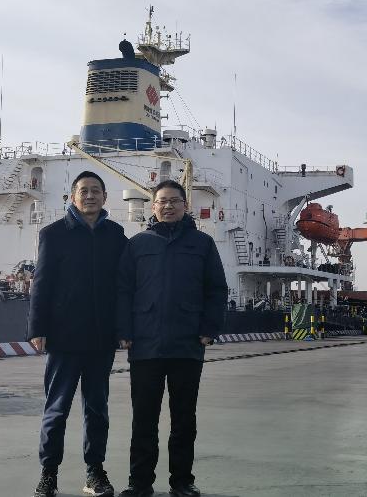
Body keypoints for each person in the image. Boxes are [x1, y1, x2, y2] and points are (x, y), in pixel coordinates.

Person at [117, 179, 228, 497]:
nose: (167, 206)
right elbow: (123, 290)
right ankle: (140, 484)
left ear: (185, 205)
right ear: (153, 207)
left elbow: (216, 290)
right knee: (144, 419)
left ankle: (182, 482)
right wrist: (124, 331)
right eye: (161, 201)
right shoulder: (137, 244)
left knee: (184, 419)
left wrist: (209, 329)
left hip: (187, 344)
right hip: (145, 344)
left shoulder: (202, 244)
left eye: (174, 201)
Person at [27, 171, 127, 497]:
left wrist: (123, 329)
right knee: (56, 410)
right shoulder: (53, 234)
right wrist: (37, 328)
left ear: (105, 197)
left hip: (101, 339)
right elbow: (41, 284)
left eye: (96, 191)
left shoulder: (116, 235)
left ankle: (95, 473)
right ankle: (48, 475)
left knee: (97, 410)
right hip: (64, 337)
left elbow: (123, 286)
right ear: (73, 197)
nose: (90, 196)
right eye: (83, 191)